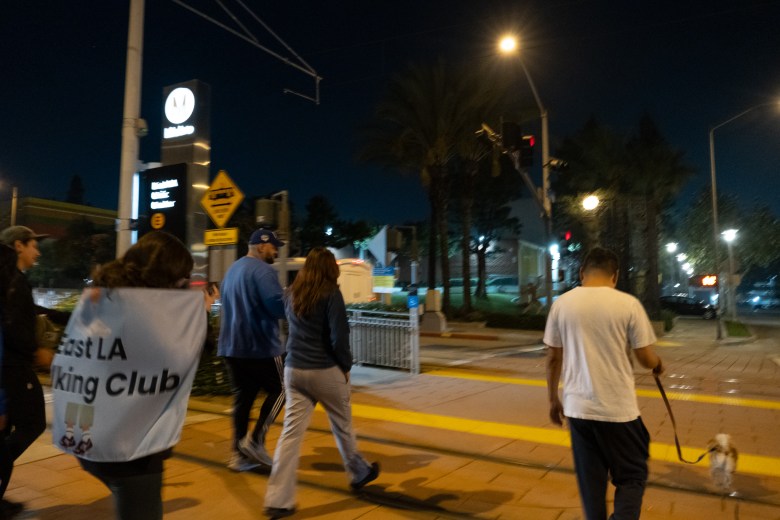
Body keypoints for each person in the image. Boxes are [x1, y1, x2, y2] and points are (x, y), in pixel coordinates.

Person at [68, 230, 214, 520]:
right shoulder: (146, 311)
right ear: (165, 273)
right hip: (132, 446)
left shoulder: (105, 296)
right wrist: (200, 314)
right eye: (181, 277)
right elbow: (178, 360)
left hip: (91, 435)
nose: (184, 283)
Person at [544, 247, 664, 520]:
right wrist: (657, 363)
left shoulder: (562, 303)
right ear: (615, 276)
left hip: (578, 410)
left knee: (591, 486)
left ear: (582, 273)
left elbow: (553, 358)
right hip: (618, 409)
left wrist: (553, 399)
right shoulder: (628, 304)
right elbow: (645, 358)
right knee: (632, 475)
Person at [264, 247, 379, 519]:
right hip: (324, 369)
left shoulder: (292, 292)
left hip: (294, 371)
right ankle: (359, 472)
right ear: (330, 268)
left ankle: (277, 500)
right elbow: (340, 336)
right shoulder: (330, 293)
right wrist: (346, 367)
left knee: (290, 435)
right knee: (342, 426)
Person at [0, 226, 70, 519]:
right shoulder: (11, 279)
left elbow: (27, 310)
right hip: (13, 366)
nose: (37, 251)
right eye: (33, 245)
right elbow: (12, 323)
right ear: (18, 246)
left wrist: (63, 315)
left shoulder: (11, 279)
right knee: (33, 423)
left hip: (10, 364)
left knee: (6, 430)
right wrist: (35, 351)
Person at [218, 228, 287, 471]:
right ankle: (256, 440)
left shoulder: (233, 270)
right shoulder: (264, 271)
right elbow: (277, 307)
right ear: (260, 246)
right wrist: (290, 298)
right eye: (273, 246)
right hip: (260, 346)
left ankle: (239, 455)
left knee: (243, 400)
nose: (276, 250)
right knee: (282, 390)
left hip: (231, 346)